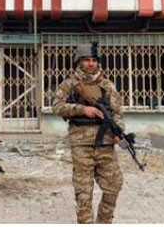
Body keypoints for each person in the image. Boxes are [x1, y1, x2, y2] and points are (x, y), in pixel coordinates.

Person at [53, 43, 125, 224]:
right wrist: (82, 109)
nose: (91, 64)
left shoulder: (107, 85)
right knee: (84, 192)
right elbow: (57, 107)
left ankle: (104, 221)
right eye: (86, 60)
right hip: (81, 144)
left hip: (106, 143)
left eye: (94, 60)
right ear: (79, 61)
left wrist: (119, 131)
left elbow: (117, 112)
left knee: (114, 186)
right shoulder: (69, 85)